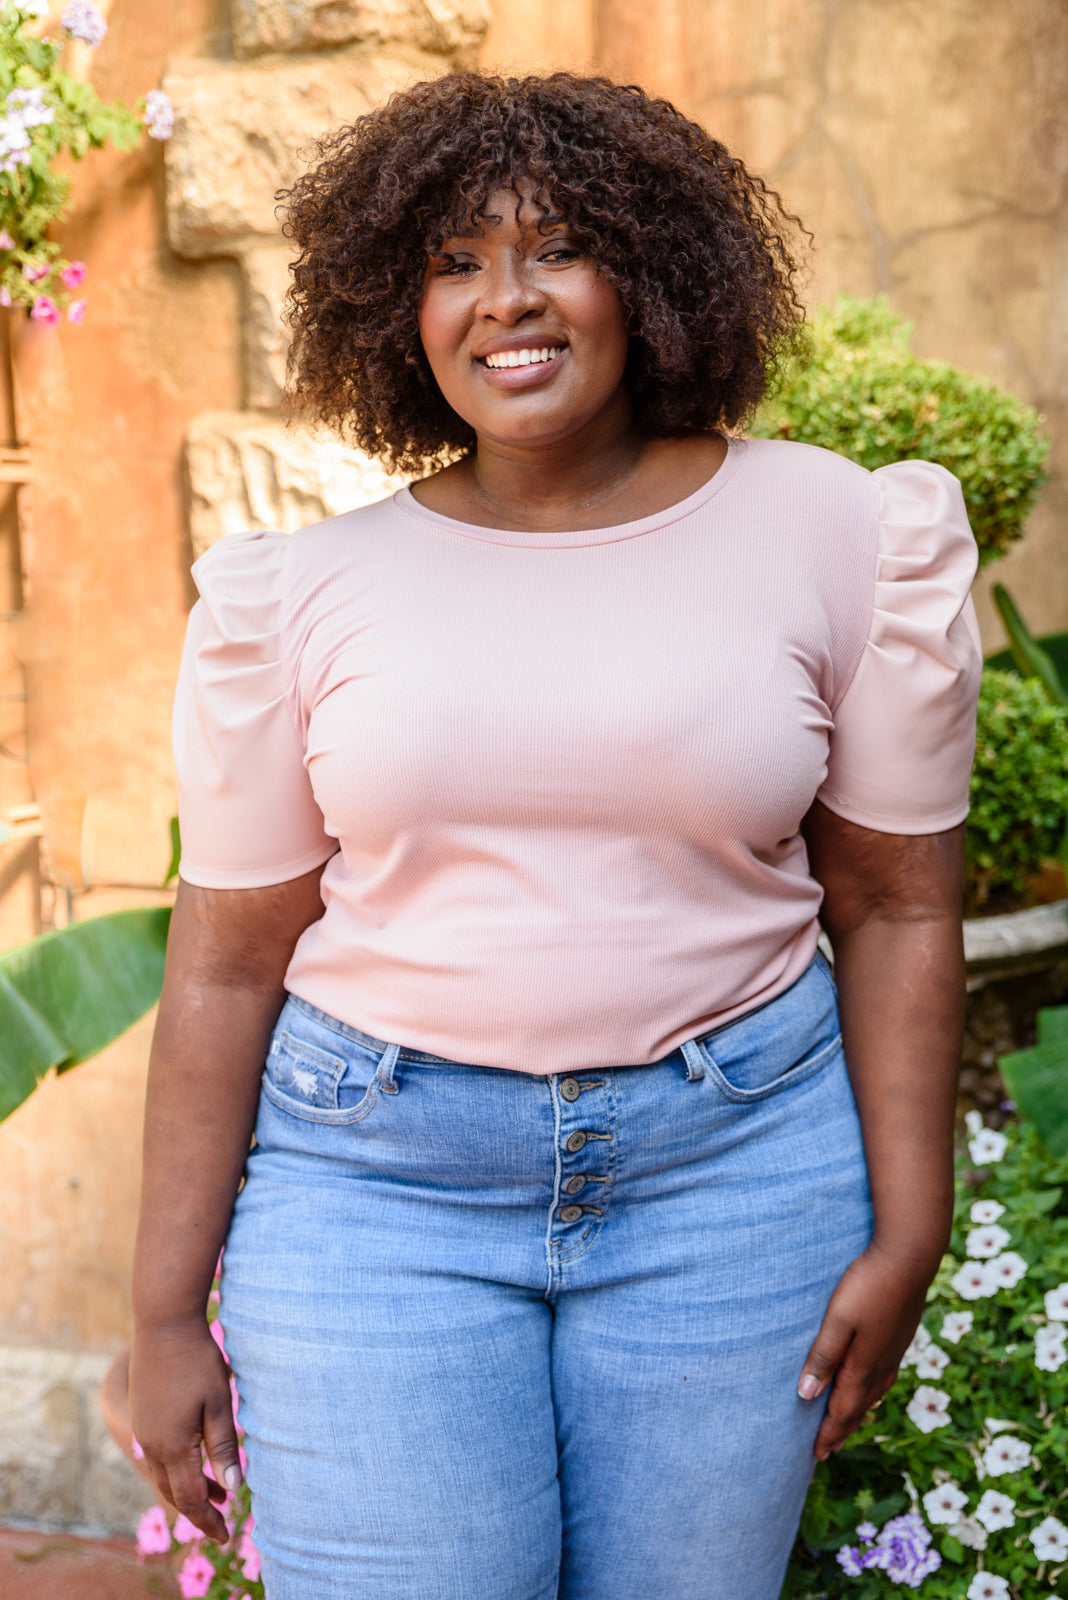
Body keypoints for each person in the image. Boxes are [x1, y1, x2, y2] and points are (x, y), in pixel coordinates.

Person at [129, 71, 981, 1600]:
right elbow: (225, 968)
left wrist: (911, 1224)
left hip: (734, 1177)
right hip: (372, 1187)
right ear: (398, 305)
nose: (504, 301)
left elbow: (900, 907)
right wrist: (160, 1314)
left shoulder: (843, 535)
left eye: (557, 247)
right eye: (455, 261)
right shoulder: (300, 594)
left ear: (649, 273)